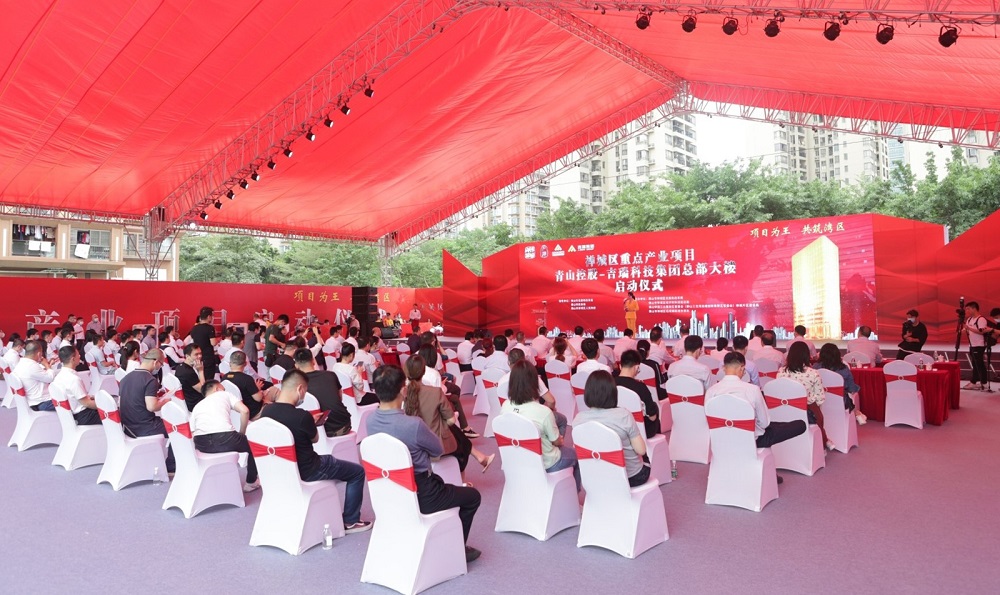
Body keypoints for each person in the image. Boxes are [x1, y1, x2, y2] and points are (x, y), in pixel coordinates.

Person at [367, 365, 482, 562]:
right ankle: (456, 550)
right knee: (472, 496)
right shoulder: (413, 425)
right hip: (423, 493)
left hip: (388, 493)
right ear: (403, 389)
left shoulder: (370, 421)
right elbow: (437, 450)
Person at [260, 370, 371, 534]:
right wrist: (311, 422)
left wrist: (307, 421)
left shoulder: (266, 413)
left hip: (280, 470)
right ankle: (351, 521)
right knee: (357, 472)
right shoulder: (301, 416)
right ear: (300, 389)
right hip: (309, 469)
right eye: (305, 391)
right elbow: (315, 439)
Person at [706, 352, 807, 483]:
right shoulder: (752, 390)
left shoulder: (711, 391)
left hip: (722, 440)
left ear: (724, 368)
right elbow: (765, 423)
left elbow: (709, 420)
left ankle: (769, 472)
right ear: (742, 368)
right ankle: (769, 473)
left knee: (772, 426)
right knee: (799, 425)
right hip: (752, 440)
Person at [403, 355, 494, 478]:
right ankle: (463, 478)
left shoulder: (403, 394)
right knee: (460, 445)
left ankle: (479, 458)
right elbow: (451, 420)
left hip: (413, 445)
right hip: (435, 444)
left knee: (456, 435)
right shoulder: (435, 392)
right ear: (423, 371)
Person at [501, 360, 580, 490]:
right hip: (546, 463)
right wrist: (558, 441)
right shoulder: (543, 412)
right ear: (535, 382)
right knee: (575, 455)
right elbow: (556, 441)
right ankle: (573, 496)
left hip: (518, 460)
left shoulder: (505, 407)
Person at [574, 370, 649, 487]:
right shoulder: (623, 416)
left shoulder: (578, 420)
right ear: (613, 392)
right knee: (644, 456)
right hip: (630, 477)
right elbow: (641, 450)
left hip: (596, 477)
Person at [191, 380, 260, 492]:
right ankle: (251, 482)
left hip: (201, 443)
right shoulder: (224, 394)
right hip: (225, 438)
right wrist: (241, 433)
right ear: (217, 389)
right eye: (223, 388)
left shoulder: (197, 406)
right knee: (256, 446)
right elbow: (245, 411)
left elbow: (192, 431)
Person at [118, 349, 175, 473]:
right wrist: (166, 401)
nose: (160, 367)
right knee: (176, 428)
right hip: (145, 426)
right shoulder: (150, 380)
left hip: (127, 425)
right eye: (161, 364)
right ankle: (171, 465)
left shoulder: (125, 378)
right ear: (155, 362)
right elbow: (152, 407)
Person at [778, 342, 834, 451]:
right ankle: (823, 443)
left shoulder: (781, 371)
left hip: (784, 409)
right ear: (806, 355)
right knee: (818, 415)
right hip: (807, 409)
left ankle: (825, 440)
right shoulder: (813, 373)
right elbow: (820, 398)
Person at [501, 348, 566, 437]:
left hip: (510, 417)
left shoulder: (502, 380)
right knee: (561, 420)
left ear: (508, 362)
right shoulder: (533, 378)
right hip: (534, 416)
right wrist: (547, 412)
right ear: (525, 361)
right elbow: (551, 401)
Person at [293, 348, 352, 437]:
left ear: (296, 366)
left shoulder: (298, 386)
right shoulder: (331, 375)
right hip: (344, 424)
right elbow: (340, 397)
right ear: (313, 361)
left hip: (319, 431)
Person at [814, 343, 868, 425]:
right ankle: (857, 413)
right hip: (840, 402)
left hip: (819, 402)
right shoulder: (843, 368)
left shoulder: (815, 368)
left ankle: (857, 412)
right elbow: (851, 388)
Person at [51, 346, 101, 424]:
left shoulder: (58, 377)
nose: (80, 356)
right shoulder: (73, 379)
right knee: (116, 413)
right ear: (73, 359)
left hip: (73, 414)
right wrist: (103, 404)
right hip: (84, 416)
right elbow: (87, 403)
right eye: (78, 355)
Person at [615, 349, 659, 437]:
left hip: (617, 428)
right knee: (654, 408)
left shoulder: (610, 384)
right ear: (636, 367)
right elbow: (652, 417)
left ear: (620, 366)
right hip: (639, 431)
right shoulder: (640, 387)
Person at [222, 350, 268, 420]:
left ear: (230, 363)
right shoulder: (247, 379)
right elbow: (258, 398)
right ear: (245, 364)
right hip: (253, 413)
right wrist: (257, 388)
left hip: (233, 413)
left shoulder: (224, 378)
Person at [13, 340, 56, 410]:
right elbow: (50, 378)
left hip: (31, 401)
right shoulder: (32, 366)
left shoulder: (21, 363)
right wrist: (47, 365)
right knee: (71, 400)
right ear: (39, 354)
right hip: (41, 403)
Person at [963, 302, 990, 390]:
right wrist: (964, 330)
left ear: (974, 308)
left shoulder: (981, 319)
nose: (967, 311)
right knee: (975, 363)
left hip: (979, 344)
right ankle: (980, 381)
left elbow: (981, 331)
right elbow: (968, 330)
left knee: (978, 363)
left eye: (968, 309)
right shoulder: (969, 319)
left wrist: (969, 328)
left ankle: (977, 381)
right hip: (972, 344)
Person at [189, 306, 219, 380]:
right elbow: (213, 343)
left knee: (200, 378)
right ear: (209, 317)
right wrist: (217, 340)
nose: (212, 318)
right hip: (208, 358)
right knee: (208, 380)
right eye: (212, 316)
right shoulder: (210, 328)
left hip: (198, 357)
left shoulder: (194, 328)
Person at [175, 344, 208, 412]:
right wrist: (201, 371)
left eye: (200, 353)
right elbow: (203, 390)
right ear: (187, 356)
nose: (200, 356)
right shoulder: (188, 372)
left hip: (187, 399)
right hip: (195, 403)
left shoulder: (179, 367)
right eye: (196, 354)